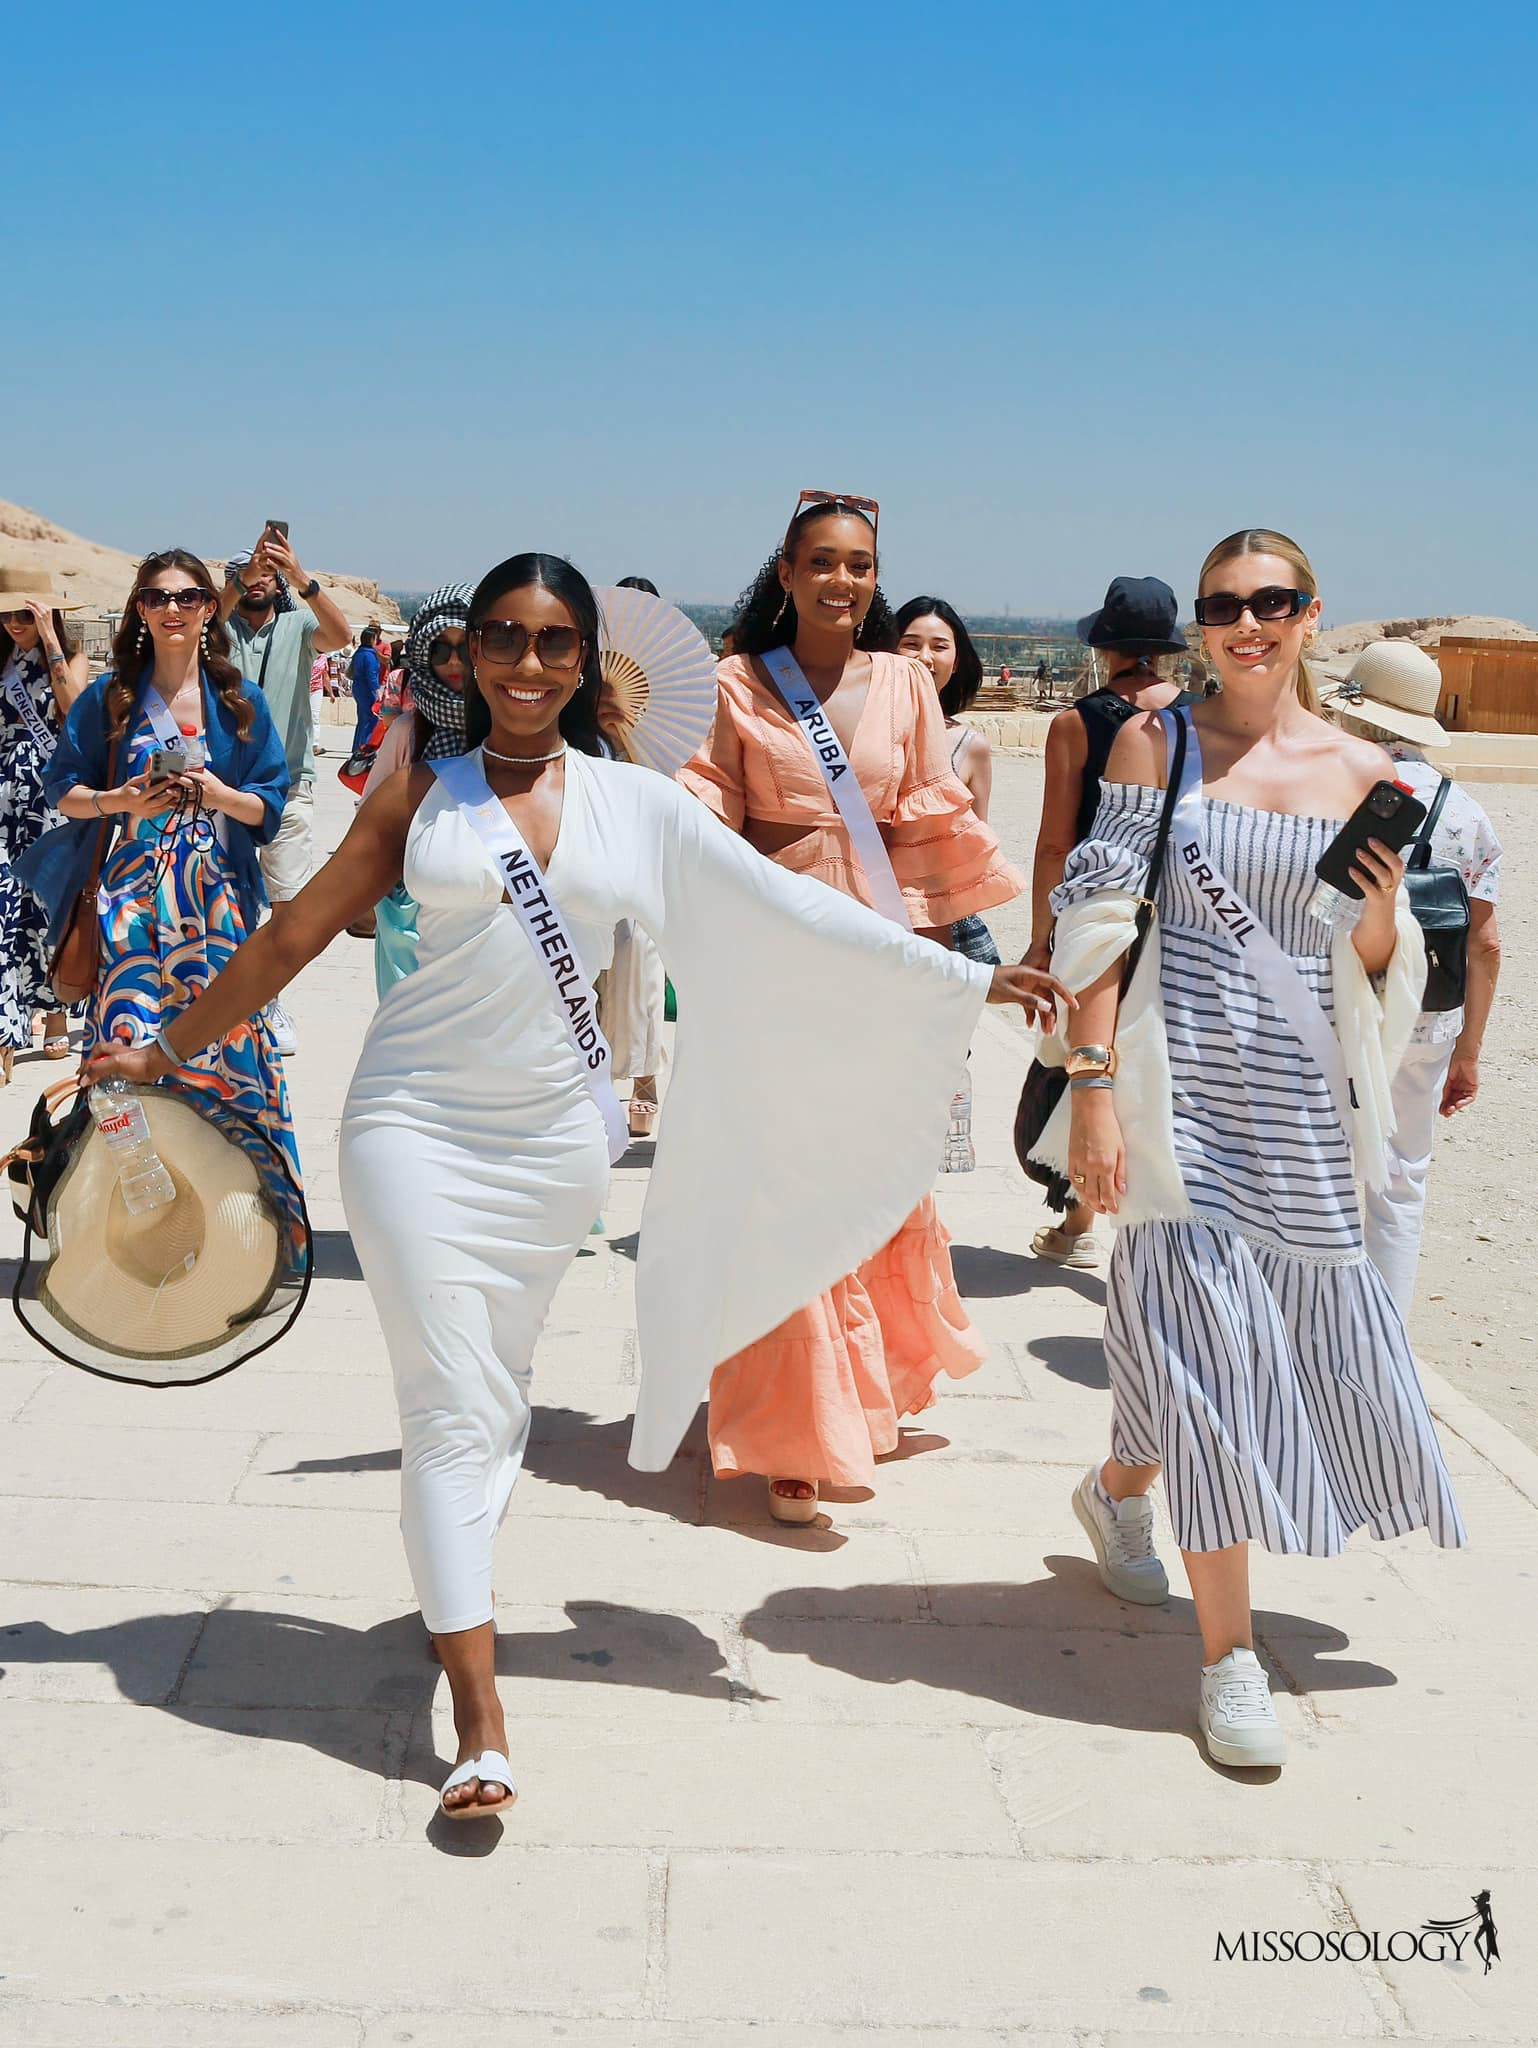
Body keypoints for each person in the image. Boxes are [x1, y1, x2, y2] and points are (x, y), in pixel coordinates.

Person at [87, 547, 1069, 1817]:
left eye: (555, 641)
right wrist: (164, 1045)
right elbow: (291, 933)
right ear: (469, 653)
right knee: (447, 1402)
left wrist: (959, 976)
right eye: (504, 636)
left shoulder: (638, 805)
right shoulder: (418, 795)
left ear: (584, 661)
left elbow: (785, 912)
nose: (529, 664)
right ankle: (480, 1716)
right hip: (409, 1130)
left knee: (490, 1403)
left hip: (553, 1150)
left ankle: (456, 1572)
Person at [1044, 527, 1462, 1770]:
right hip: (1177, 1102)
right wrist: (1092, 1091)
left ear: (1306, 613)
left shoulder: (1362, 769)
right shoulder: (1151, 743)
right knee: (1204, 1360)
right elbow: (1099, 925)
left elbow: (1387, 967)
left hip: (1302, 1114)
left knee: (1225, 1349)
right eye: (1222, 603)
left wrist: (1381, 911)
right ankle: (1226, 1657)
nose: (1244, 622)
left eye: (1269, 601)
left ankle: (1120, 1487)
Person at [681, 493, 1026, 1522]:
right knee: (787, 1188)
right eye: (821, 561)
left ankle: (865, 1393)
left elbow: (930, 834)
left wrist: (936, 977)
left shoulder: (908, 688)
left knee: (873, 1178)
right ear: (783, 571)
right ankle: (794, 1428)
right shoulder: (732, 683)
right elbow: (707, 820)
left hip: (881, 959)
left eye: (860, 564)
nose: (841, 581)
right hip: (775, 959)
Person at [42, 550, 297, 1188]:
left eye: (188, 598)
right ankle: (130, 1218)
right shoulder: (110, 699)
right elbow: (62, 790)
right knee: (126, 1039)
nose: (172, 609)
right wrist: (120, 800)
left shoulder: (240, 703)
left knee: (227, 1042)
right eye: (158, 598)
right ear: (140, 610)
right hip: (130, 899)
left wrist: (215, 793)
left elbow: (269, 801)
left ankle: (240, 1218)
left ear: (211, 608)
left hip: (215, 901)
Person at [1320, 640, 1503, 1313]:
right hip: (1429, 1015)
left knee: (1323, 1176)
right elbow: (1484, 944)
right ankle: (1383, 1340)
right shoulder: (1471, 816)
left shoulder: (1338, 790)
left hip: (1339, 1008)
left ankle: (1308, 1333)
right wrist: (1470, 1052)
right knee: (1401, 1185)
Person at [1025, 577, 1200, 1268]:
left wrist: (1043, 936)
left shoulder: (1077, 721)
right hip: (1177, 914)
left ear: (1103, 647)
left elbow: (1053, 841)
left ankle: (1077, 1219)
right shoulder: (1199, 717)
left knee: (1087, 1059)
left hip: (1101, 911)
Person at [218, 528, 351, 1055]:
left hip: (289, 783)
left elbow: (340, 636)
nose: (259, 583)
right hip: (224, 788)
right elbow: (206, 618)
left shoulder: (298, 625)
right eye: (251, 576)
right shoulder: (220, 629)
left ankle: (268, 998)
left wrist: (302, 578)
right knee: (227, 898)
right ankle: (228, 997)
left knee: (287, 903)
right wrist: (240, 577)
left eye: (268, 577)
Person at [358, 584, 475, 993]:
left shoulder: (508, 730)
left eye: (466, 647)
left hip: (484, 904)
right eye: (441, 649)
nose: (455, 661)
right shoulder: (409, 730)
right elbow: (371, 813)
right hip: (409, 904)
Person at [0, 572, 90, 1083]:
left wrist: (50, 641)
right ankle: (6, 1028)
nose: (14, 624)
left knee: (49, 903)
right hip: (3, 796)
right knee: (4, 909)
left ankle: (56, 1011)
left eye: (25, 615)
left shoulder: (71, 658)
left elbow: (75, 709)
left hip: (51, 795)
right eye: (7, 615)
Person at [600, 574, 668, 1137]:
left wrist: (628, 736)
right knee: (593, 973)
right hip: (592, 847)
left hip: (644, 852)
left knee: (642, 971)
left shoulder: (666, 705)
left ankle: (645, 1083)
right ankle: (595, 1086)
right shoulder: (585, 686)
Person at [894, 595, 998, 963]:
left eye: (939, 646)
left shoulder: (972, 748)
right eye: (910, 644)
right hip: (866, 912)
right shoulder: (856, 733)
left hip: (939, 923)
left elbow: (974, 850)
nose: (925, 657)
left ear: (956, 663)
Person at [348, 626, 383, 758]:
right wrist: (377, 691)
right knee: (371, 718)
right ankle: (364, 747)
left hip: (358, 688)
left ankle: (357, 747)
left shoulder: (359, 652)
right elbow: (371, 675)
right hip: (367, 689)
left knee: (362, 718)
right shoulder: (369, 655)